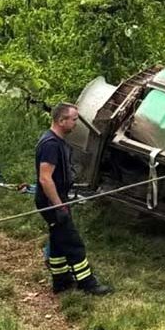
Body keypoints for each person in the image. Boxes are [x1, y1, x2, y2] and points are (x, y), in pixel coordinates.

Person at [36, 102, 112, 296]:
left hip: (58, 198)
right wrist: (59, 205)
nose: (76, 123)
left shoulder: (58, 141)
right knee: (72, 241)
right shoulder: (50, 145)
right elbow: (45, 178)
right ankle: (88, 283)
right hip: (52, 201)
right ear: (62, 121)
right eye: (74, 119)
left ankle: (61, 281)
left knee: (59, 240)